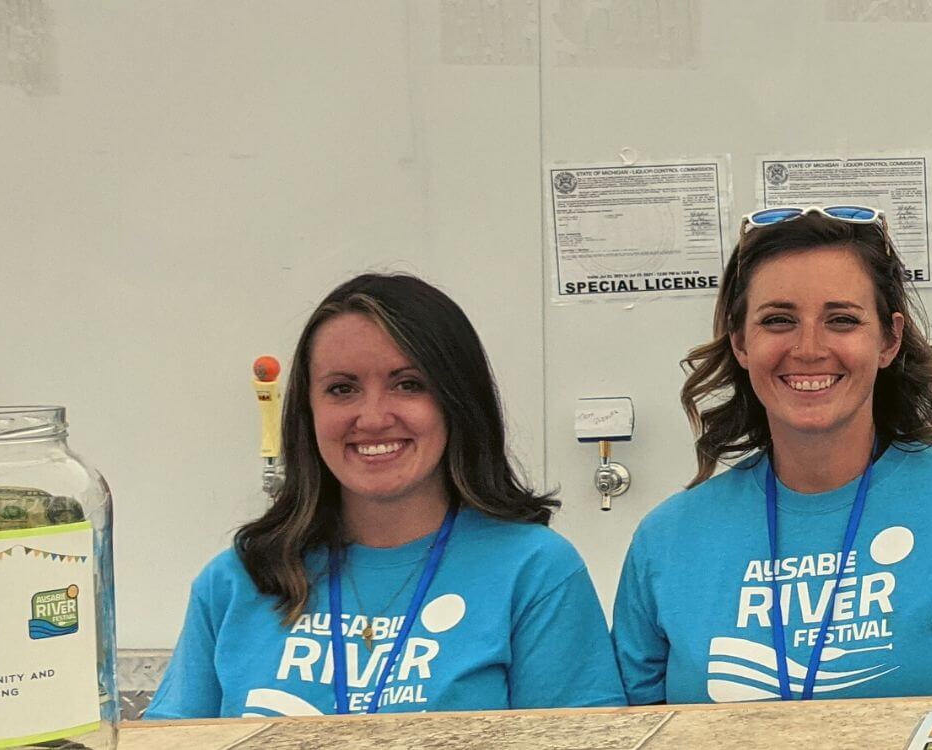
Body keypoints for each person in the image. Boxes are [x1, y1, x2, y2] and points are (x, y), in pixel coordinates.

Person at [614, 206, 932, 703]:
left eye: (841, 320)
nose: (809, 348)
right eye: (777, 320)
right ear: (740, 342)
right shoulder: (667, 540)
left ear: (889, 339)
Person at [146, 274, 622, 718]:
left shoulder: (535, 572)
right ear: (307, 413)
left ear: (457, 401)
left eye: (408, 384)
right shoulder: (238, 578)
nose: (372, 417)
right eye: (342, 388)